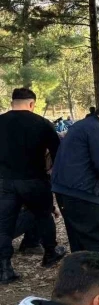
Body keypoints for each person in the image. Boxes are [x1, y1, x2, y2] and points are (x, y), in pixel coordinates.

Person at [0, 88, 66, 284]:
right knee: (43, 216)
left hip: (5, 181)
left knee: (3, 225)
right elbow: (57, 153)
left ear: (13, 102)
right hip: (34, 179)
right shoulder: (42, 123)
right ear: (31, 104)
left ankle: (4, 267)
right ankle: (50, 253)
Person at [52, 102, 99, 257]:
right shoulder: (98, 130)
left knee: (79, 241)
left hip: (65, 191)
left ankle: (82, 277)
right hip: (85, 193)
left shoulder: (81, 126)